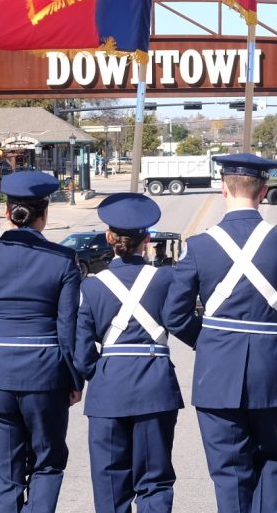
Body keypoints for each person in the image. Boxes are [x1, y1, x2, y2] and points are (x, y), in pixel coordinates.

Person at [164, 152, 277, 513]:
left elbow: (175, 314)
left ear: (223, 189)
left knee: (229, 471)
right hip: (270, 366)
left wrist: (208, 339)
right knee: (269, 460)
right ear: (263, 191)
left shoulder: (200, 246)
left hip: (218, 369)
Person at [0, 171, 83, 513]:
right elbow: (68, 330)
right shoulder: (63, 260)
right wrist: (74, 379)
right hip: (45, 376)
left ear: (8, 212)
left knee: (5, 481)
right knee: (47, 464)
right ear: (44, 213)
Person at [75, 193, 199, 513]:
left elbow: (81, 348)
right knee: (154, 482)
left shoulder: (91, 286)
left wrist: (97, 373)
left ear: (108, 237)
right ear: (147, 240)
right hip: (155, 386)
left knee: (110, 485)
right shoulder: (166, 278)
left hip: (108, 389)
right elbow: (182, 321)